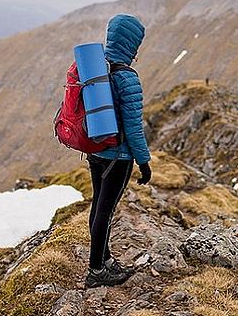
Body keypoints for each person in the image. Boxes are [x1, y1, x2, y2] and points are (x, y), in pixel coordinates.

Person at [85, 14, 152, 288]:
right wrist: (144, 162)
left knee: (98, 206)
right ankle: (97, 271)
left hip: (96, 151)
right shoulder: (127, 78)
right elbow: (134, 128)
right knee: (106, 211)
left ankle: (105, 258)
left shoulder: (95, 70)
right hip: (118, 157)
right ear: (132, 44)